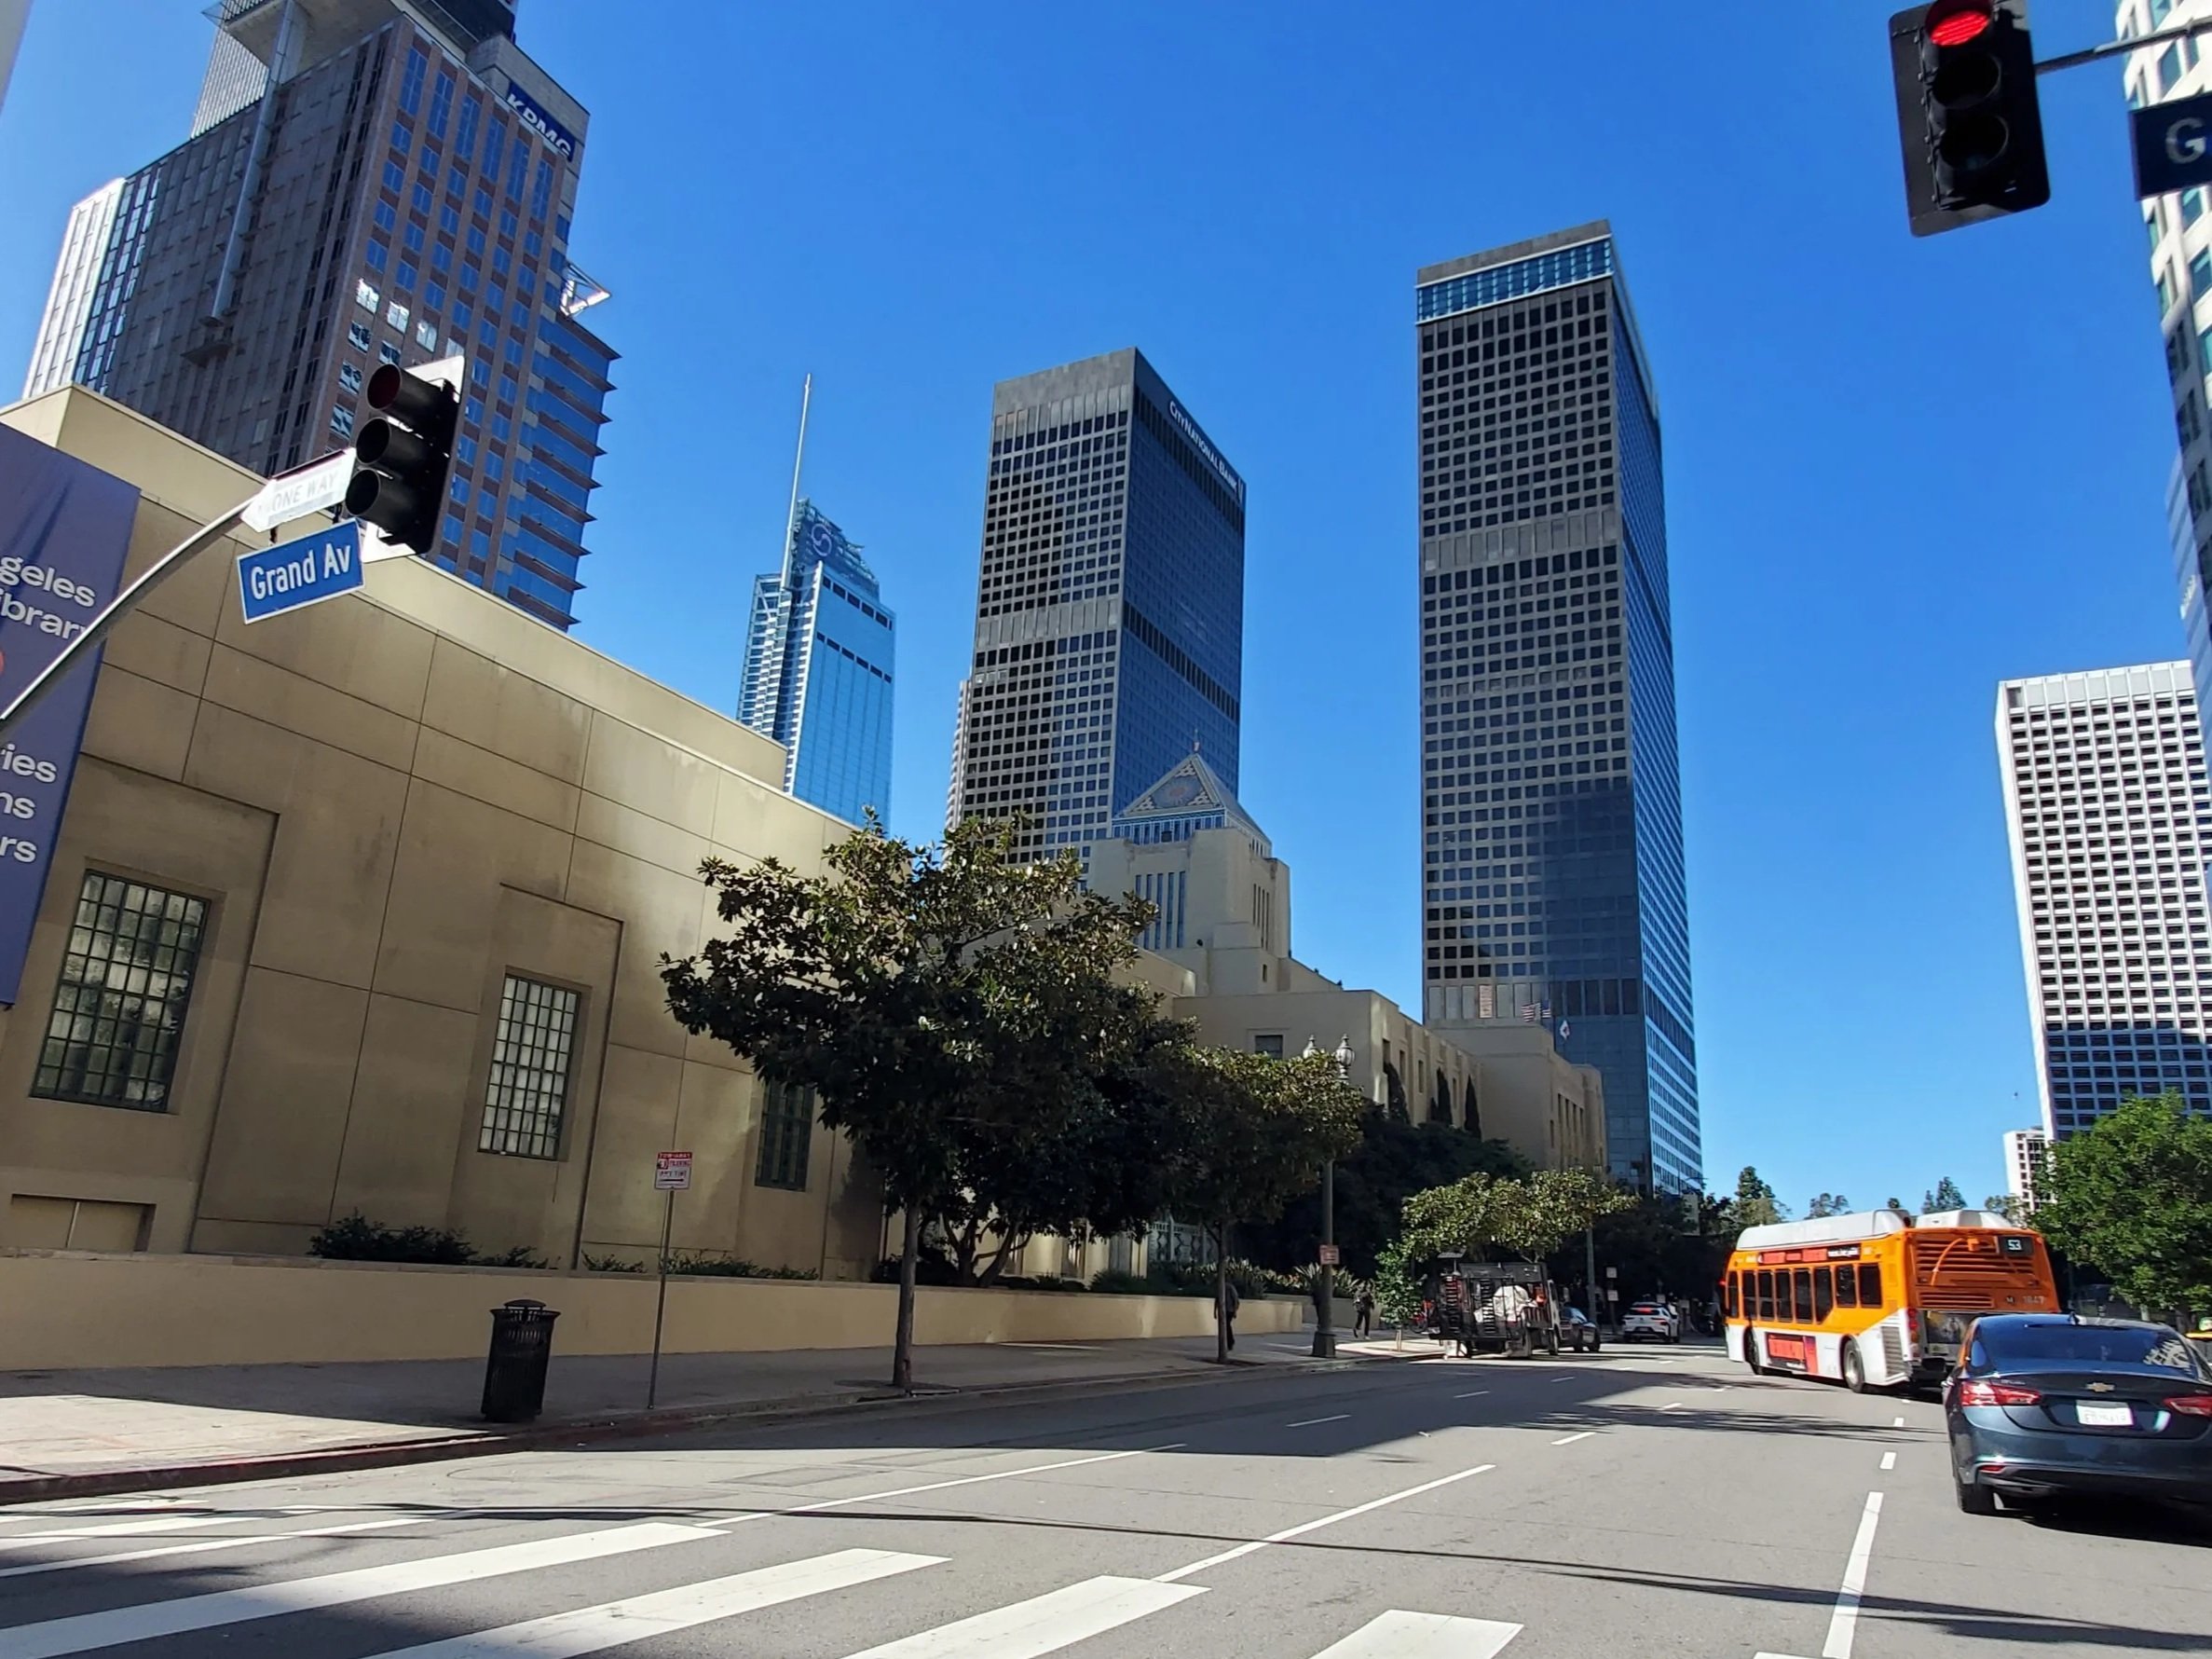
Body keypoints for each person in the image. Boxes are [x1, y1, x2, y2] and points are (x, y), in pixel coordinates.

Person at [1216, 1279, 1240, 1351]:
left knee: (1226, 1326)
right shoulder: (1221, 1287)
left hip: (1229, 1310)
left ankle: (1230, 1342)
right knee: (1226, 1326)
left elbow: (1236, 1300)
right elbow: (1217, 1299)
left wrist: (1235, 1311)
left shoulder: (1230, 1288)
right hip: (1225, 1310)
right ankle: (1228, 1342)